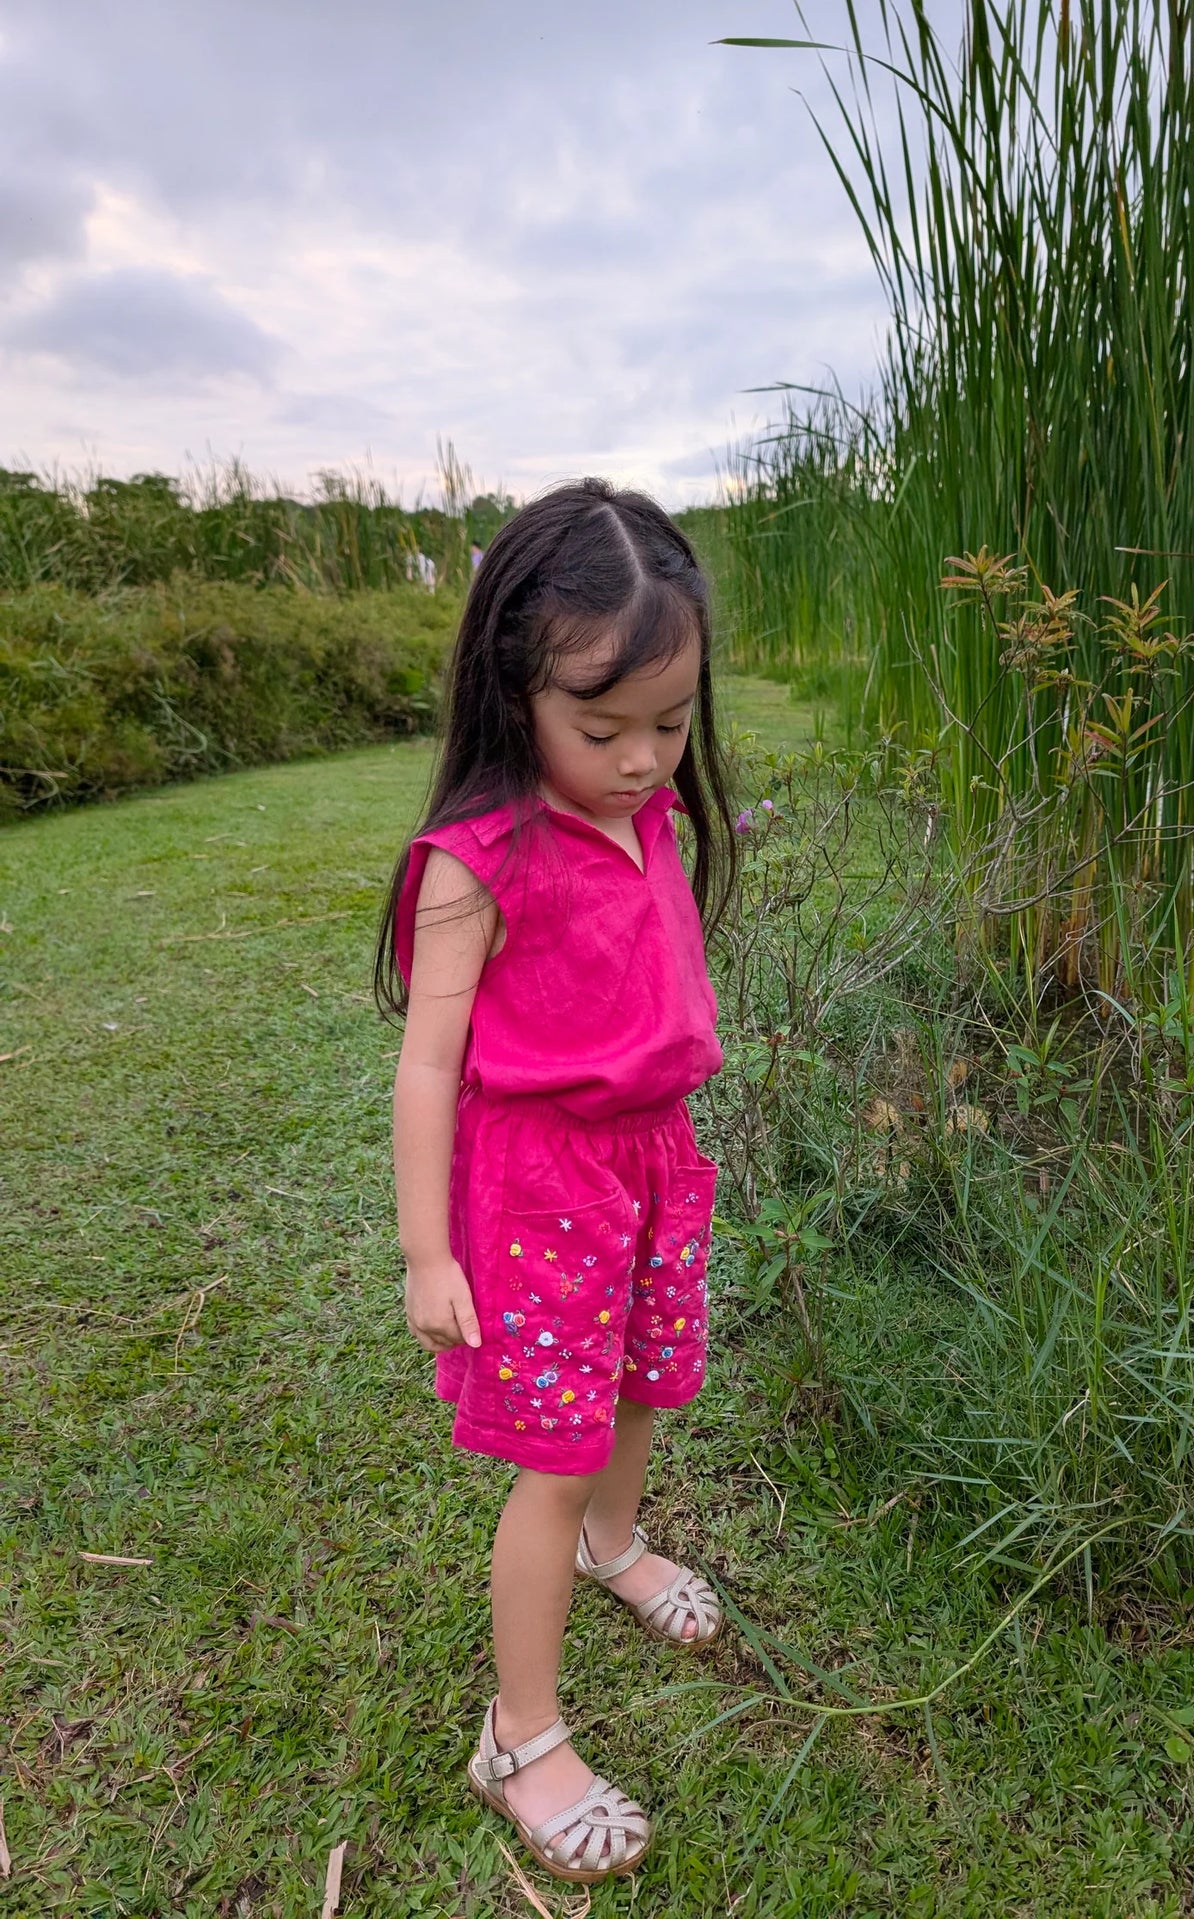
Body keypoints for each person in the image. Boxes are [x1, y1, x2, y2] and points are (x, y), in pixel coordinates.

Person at [375, 478, 736, 1886]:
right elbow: (426, 1068)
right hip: (540, 1191)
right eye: (602, 728)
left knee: (646, 1381)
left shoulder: (643, 819)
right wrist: (427, 1253)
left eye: (670, 722)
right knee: (553, 1446)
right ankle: (519, 1730)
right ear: (511, 691)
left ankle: (616, 1545)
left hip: (655, 1162)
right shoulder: (474, 863)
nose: (644, 760)